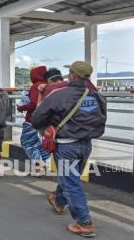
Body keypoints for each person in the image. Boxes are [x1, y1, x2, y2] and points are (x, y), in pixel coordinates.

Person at [31, 61, 107, 238]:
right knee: (70, 178)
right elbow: (101, 118)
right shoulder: (96, 96)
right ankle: (58, 202)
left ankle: (84, 222)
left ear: (72, 75)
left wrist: (49, 126)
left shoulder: (61, 95)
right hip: (86, 145)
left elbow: (36, 119)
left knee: (71, 183)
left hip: (66, 146)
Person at [17, 66, 51, 175]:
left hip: (33, 120)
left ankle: (39, 164)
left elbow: (34, 104)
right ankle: (45, 162)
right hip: (47, 121)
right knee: (40, 144)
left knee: (27, 143)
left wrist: (21, 107)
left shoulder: (36, 86)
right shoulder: (50, 86)